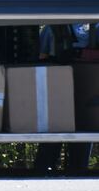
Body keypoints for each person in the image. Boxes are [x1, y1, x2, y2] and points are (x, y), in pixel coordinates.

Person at [36, 23, 94, 171]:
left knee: (51, 144)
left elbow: (39, 61)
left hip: (57, 97)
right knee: (81, 145)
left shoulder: (51, 28)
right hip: (86, 99)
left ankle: (43, 172)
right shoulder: (95, 29)